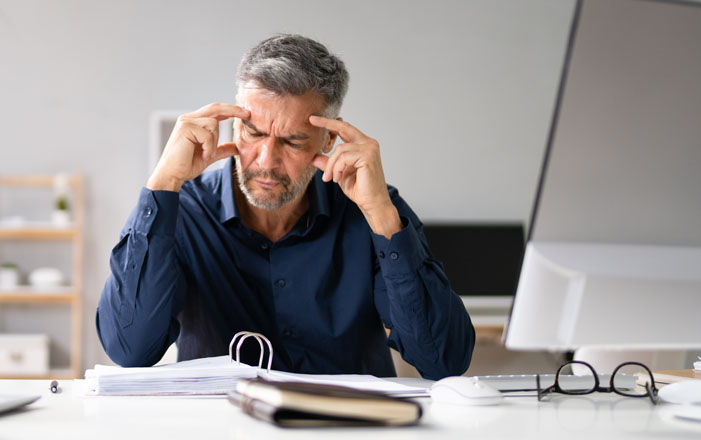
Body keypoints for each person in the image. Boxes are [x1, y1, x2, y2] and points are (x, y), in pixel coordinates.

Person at [96, 34, 474, 380]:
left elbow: (443, 361)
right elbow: (131, 349)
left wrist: (381, 215)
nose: (266, 160)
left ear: (329, 138)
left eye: (293, 141)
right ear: (231, 124)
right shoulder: (184, 211)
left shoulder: (373, 209)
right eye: (253, 132)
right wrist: (163, 185)